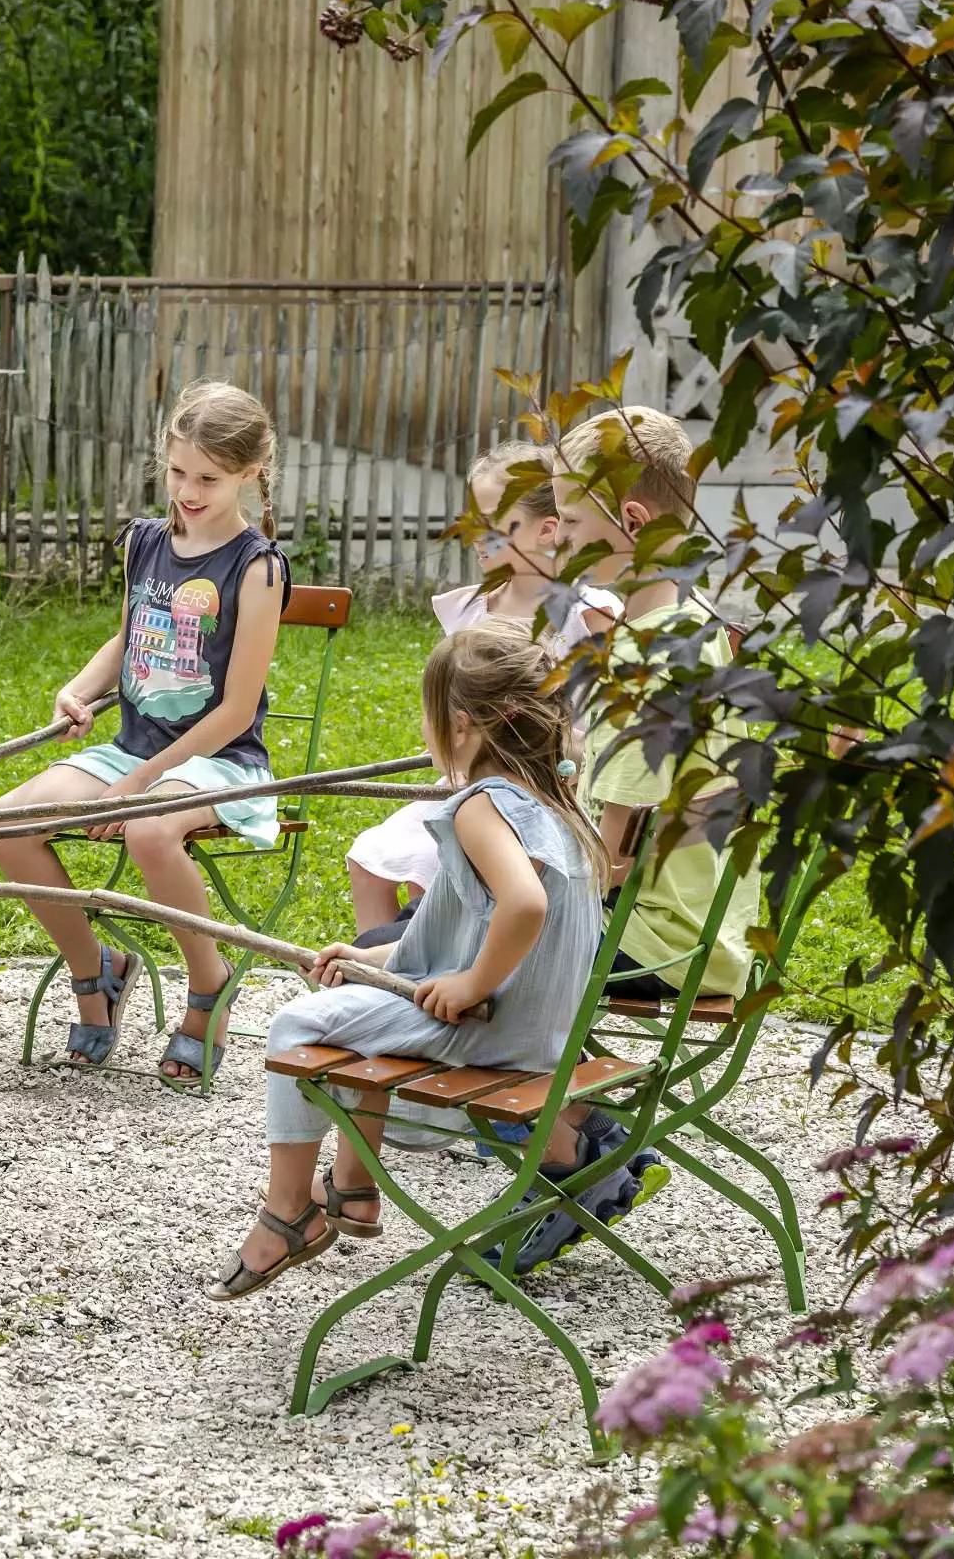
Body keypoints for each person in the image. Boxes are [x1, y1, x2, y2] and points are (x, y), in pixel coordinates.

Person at [223, 622, 625, 1296]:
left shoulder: (481, 806)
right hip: (540, 1026)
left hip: (493, 1027)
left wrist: (470, 982)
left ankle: (288, 1211)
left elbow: (524, 906)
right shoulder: (554, 802)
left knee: (296, 1027)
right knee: (351, 1016)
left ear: (461, 727)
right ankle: (352, 1190)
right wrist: (370, 954)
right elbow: (472, 920)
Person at [0, 382, 287, 1079]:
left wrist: (139, 786)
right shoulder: (148, 542)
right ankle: (97, 970)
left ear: (249, 471)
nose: (187, 489)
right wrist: (79, 688)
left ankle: (209, 983)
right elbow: (126, 642)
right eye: (177, 471)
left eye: (207, 478)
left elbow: (237, 710)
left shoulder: (257, 567)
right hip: (133, 749)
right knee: (5, 823)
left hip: (219, 761)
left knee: (151, 828)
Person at [344, 441, 621, 943]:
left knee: (437, 861)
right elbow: (449, 710)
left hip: (549, 799)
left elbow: (600, 731)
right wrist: (454, 754)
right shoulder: (470, 612)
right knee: (373, 856)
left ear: (548, 529)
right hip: (466, 788)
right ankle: (391, 987)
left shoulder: (587, 617)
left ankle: (442, 965)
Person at [553, 405, 749, 1004]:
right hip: (689, 927)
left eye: (567, 519)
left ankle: (567, 1098)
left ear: (633, 523)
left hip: (651, 937)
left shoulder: (652, 665)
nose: (556, 536)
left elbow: (613, 861)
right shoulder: (690, 627)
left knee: (443, 941)